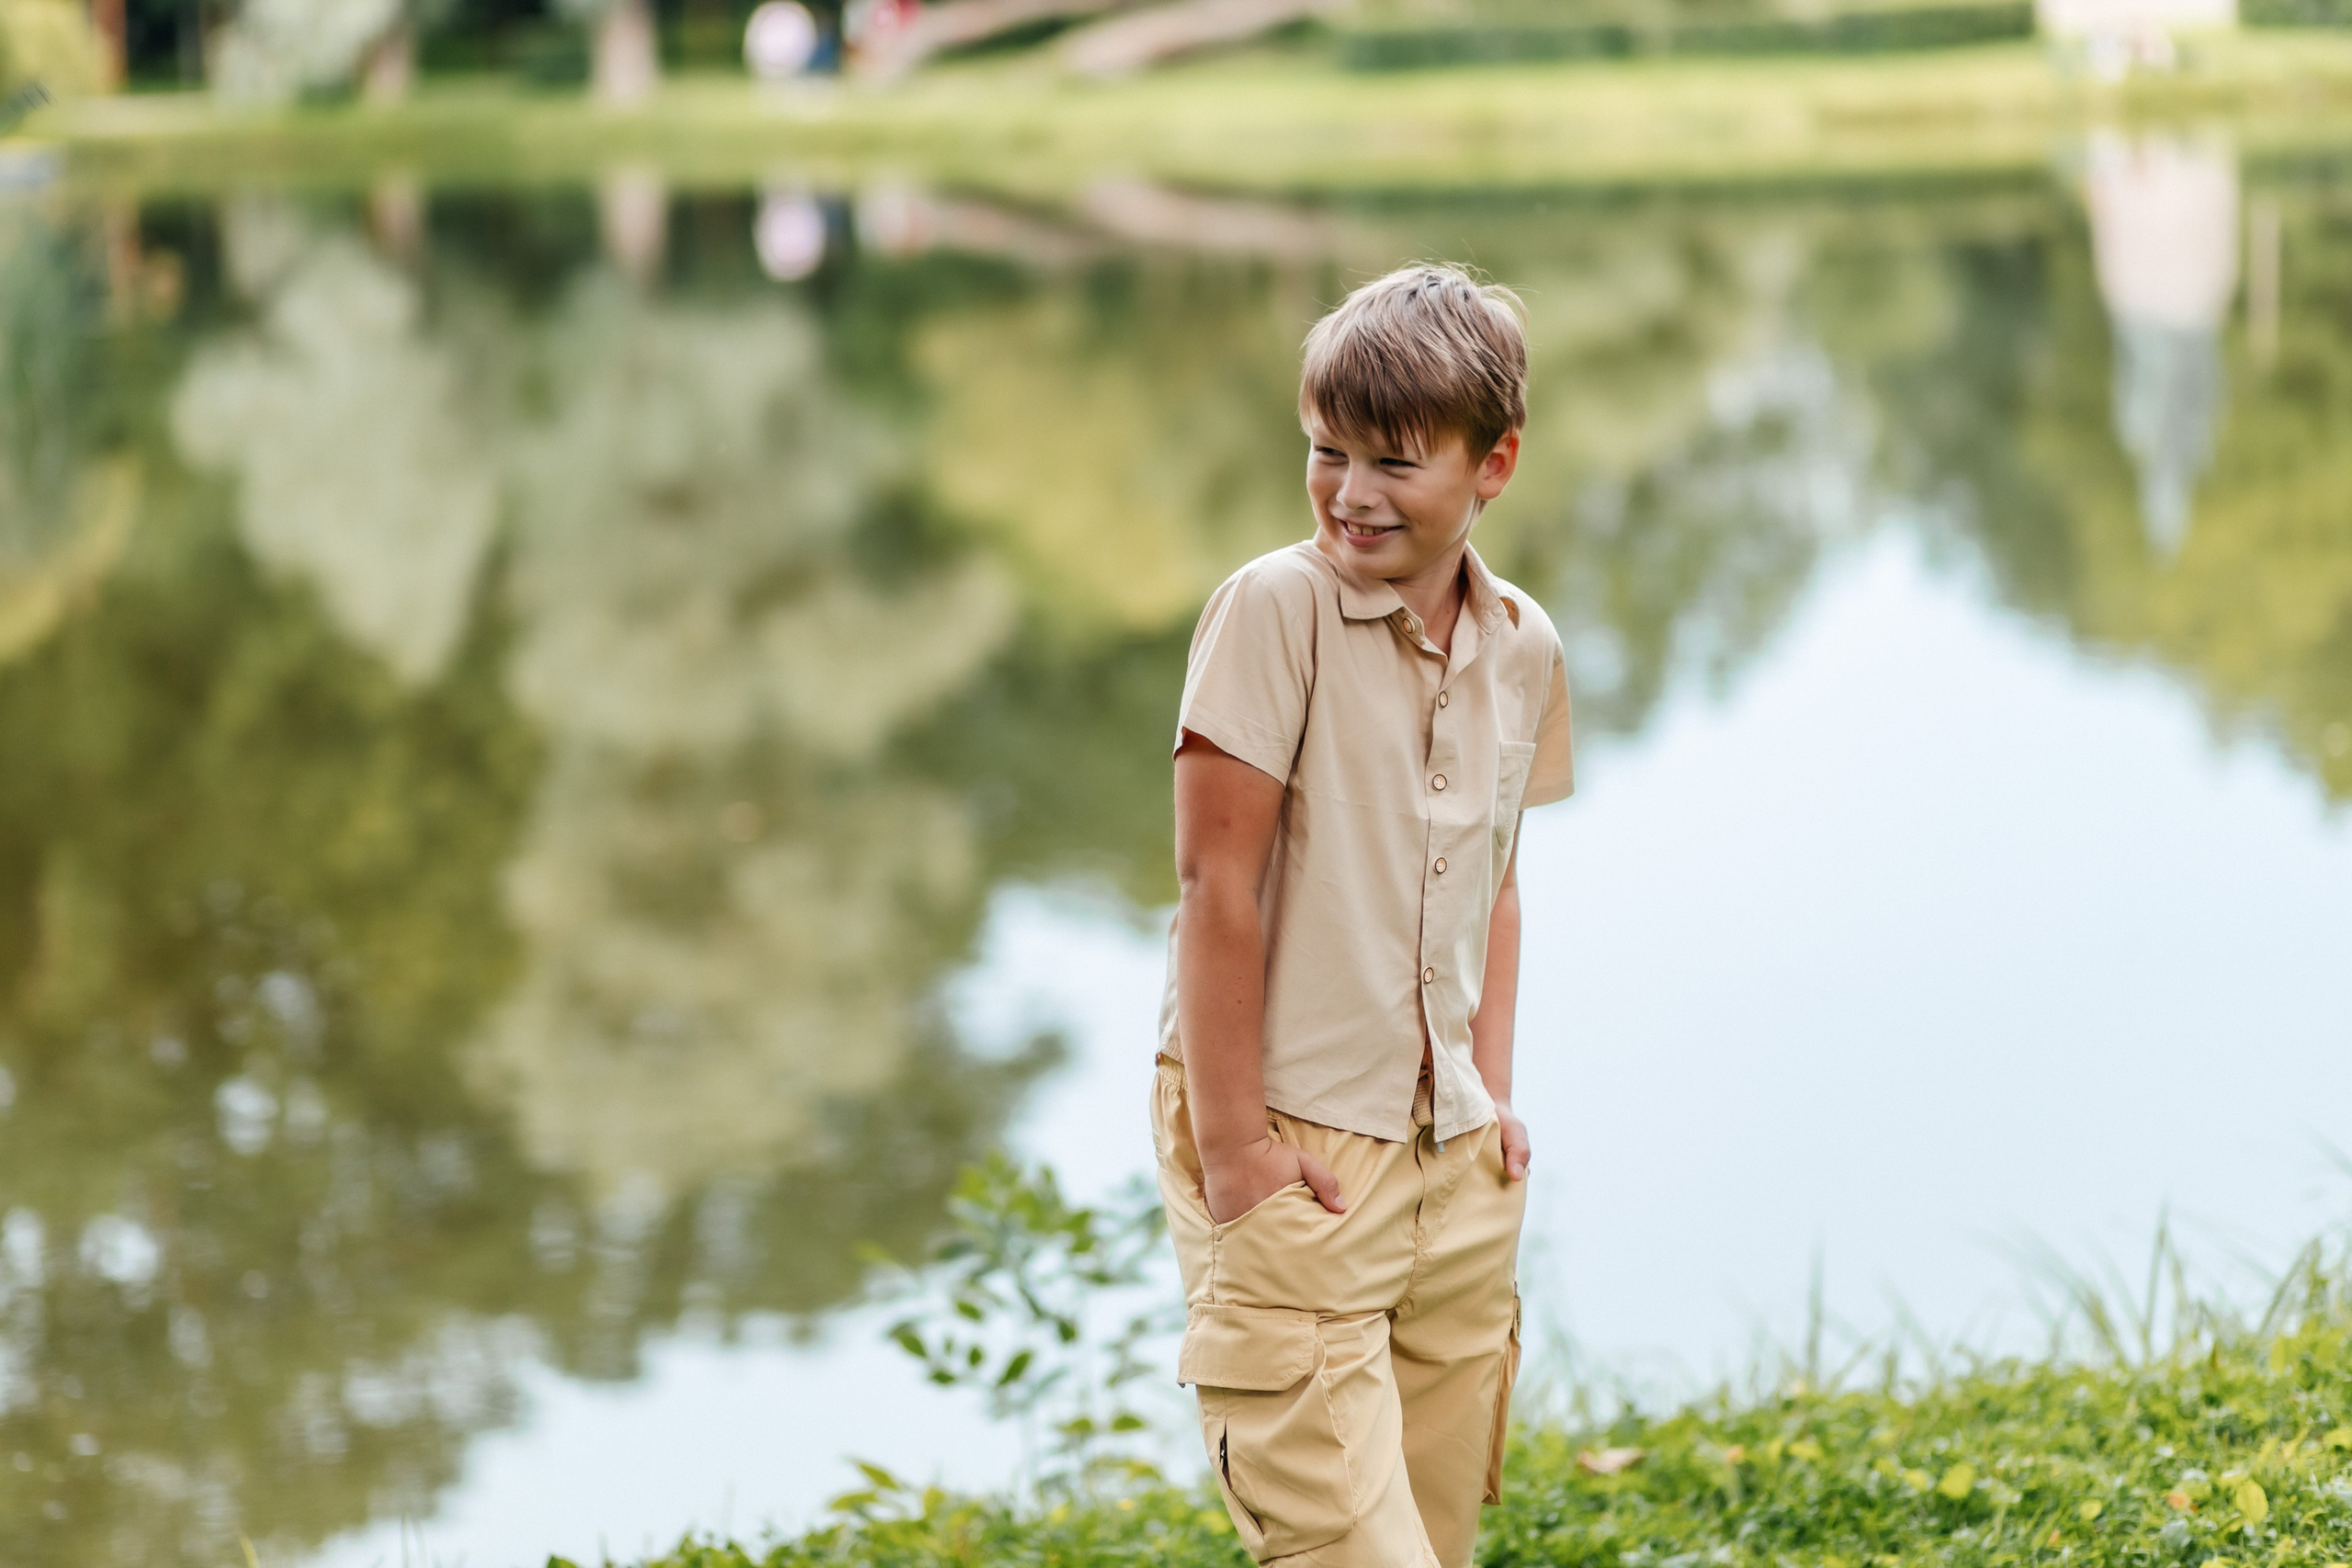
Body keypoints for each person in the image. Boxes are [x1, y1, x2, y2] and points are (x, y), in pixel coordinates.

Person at [1155, 263, 1574, 1568]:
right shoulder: (1274, 611)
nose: (1349, 492)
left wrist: (1489, 1099)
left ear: (1491, 463)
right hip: (1296, 1145)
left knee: (1436, 1545)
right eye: (1326, 452)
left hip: (1450, 1157)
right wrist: (1235, 1157)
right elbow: (1214, 887)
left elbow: (1498, 880)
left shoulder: (1526, 643)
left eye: (1394, 461)